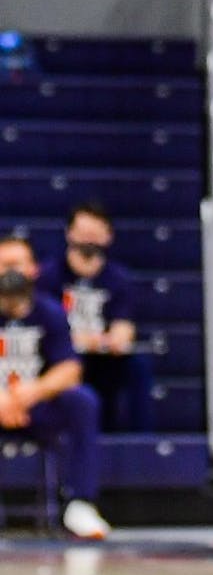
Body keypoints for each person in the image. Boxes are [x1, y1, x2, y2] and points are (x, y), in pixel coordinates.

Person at [0, 236, 111, 539]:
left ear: (34, 269)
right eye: (5, 265)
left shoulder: (49, 311)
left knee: (82, 400)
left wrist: (28, 394)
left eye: (18, 264)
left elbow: (70, 369)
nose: (12, 272)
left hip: (35, 408)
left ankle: (80, 504)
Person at [34, 202, 155, 433]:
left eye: (95, 234)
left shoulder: (119, 279)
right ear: (69, 233)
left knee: (138, 366)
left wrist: (114, 340)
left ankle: (142, 443)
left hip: (101, 356)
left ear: (108, 236)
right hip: (60, 356)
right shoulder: (48, 276)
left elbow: (123, 328)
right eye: (83, 233)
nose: (89, 241)